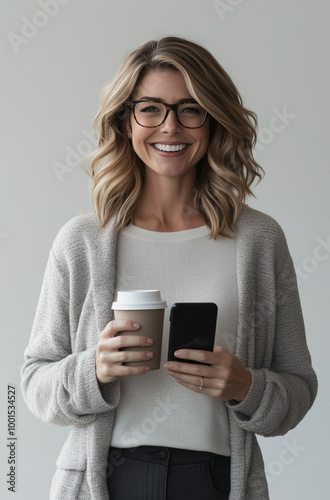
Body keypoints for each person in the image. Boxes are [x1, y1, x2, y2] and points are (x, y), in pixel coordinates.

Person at [21, 36, 317, 500]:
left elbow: (299, 387)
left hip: (216, 482)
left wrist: (245, 386)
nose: (170, 127)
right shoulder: (81, 241)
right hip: (105, 480)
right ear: (126, 119)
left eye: (190, 109)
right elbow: (34, 380)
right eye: (151, 108)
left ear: (213, 118)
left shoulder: (258, 241)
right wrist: (93, 370)